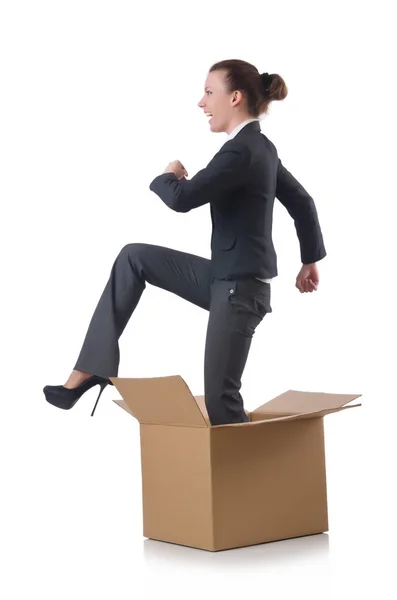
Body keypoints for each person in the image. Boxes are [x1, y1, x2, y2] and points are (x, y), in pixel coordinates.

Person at [43, 58, 326, 424]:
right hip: (225, 278)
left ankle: (249, 478)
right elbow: (303, 202)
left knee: (222, 402)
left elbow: (182, 199)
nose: (201, 102)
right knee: (134, 258)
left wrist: (168, 176)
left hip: (238, 291)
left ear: (235, 97)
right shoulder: (260, 148)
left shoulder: (242, 151)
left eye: (209, 92)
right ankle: (91, 369)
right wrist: (310, 259)